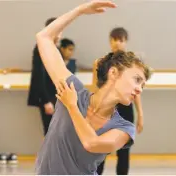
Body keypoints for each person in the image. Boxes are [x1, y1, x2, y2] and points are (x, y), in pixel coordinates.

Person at [34, 1, 151, 175]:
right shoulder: (73, 90)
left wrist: (72, 107)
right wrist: (79, 11)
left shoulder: (125, 128)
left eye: (142, 85)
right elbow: (43, 38)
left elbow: (91, 143)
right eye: (136, 80)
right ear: (113, 73)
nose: (140, 89)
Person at [92, 27, 144, 175]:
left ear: (125, 42)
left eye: (120, 40)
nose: (117, 43)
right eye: (114, 40)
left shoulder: (132, 64)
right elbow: (95, 88)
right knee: (101, 148)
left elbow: (136, 90)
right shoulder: (101, 63)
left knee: (123, 150)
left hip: (125, 111)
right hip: (106, 110)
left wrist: (140, 114)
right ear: (110, 41)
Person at [27, 18, 76, 136]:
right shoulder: (40, 48)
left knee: (58, 133)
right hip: (47, 97)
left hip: (56, 96)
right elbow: (39, 75)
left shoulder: (55, 48)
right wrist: (46, 101)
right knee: (51, 133)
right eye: (58, 31)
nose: (59, 35)